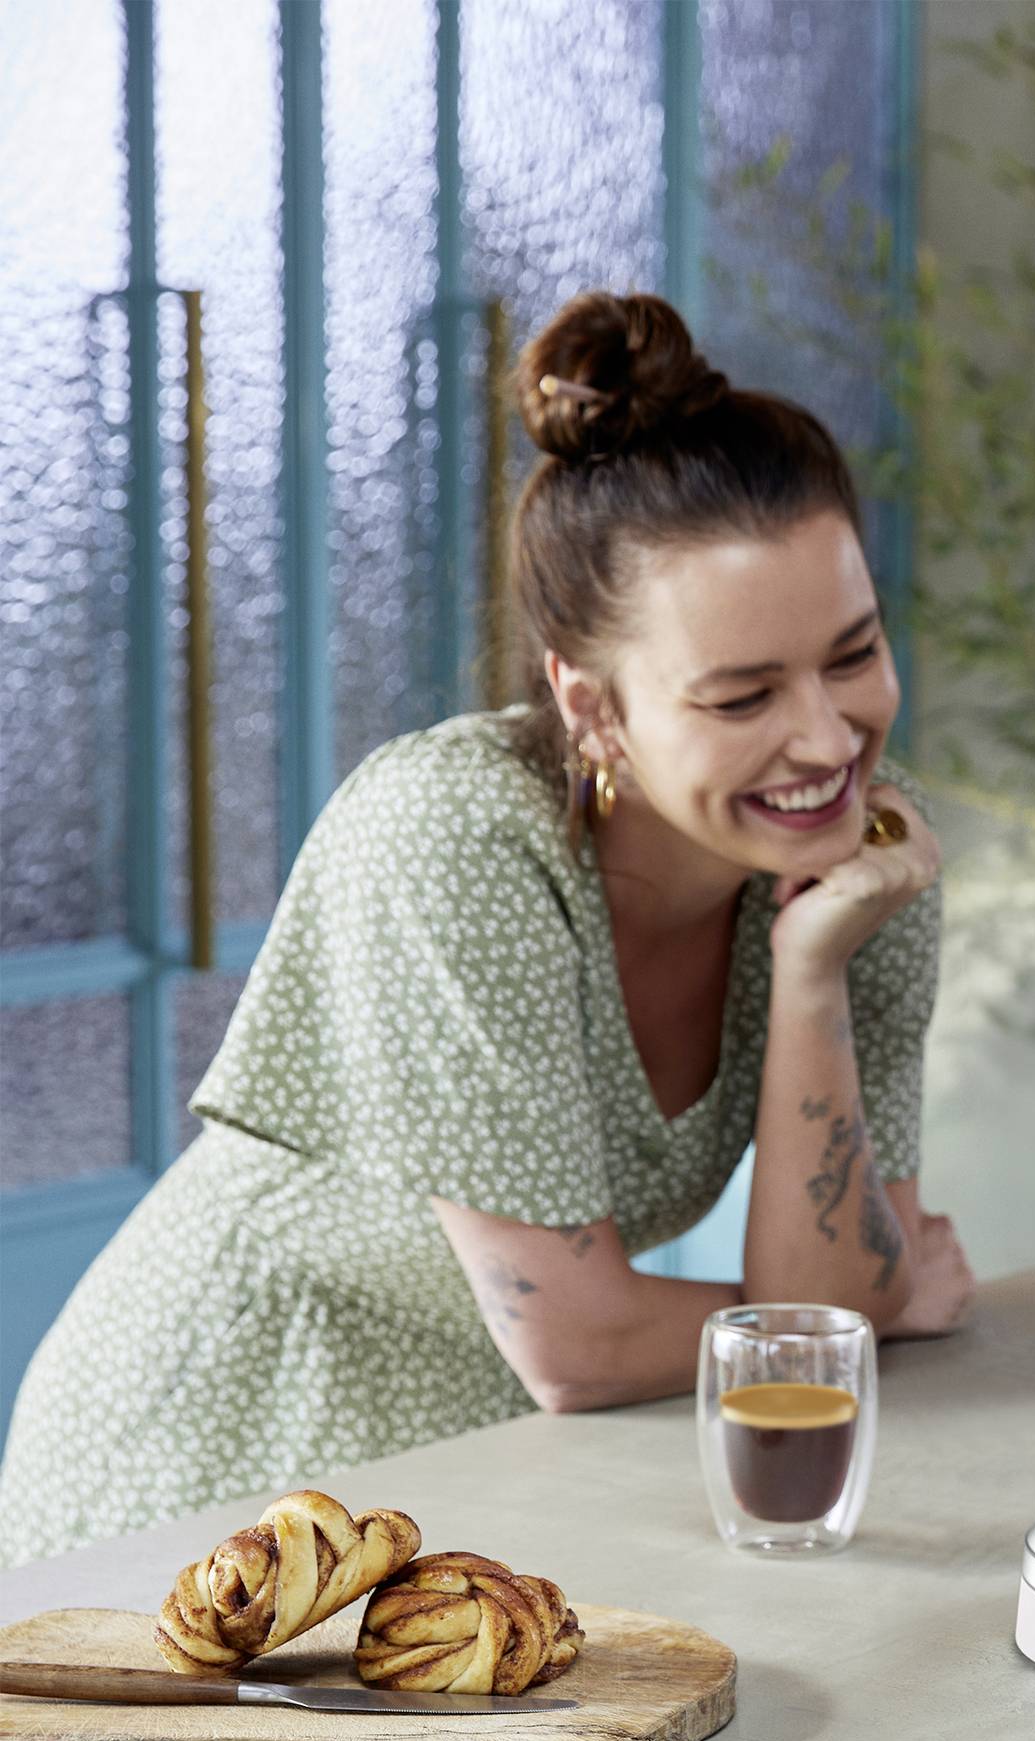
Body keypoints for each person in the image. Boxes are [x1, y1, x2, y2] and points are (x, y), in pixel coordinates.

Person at [0, 292, 975, 1566]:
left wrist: (809, 975)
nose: (826, 737)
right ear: (593, 702)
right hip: (215, 1454)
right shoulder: (456, 836)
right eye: (743, 693)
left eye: (853, 655)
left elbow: (827, 1313)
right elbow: (588, 1344)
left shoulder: (864, 869)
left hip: (472, 1472)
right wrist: (849, 1314)